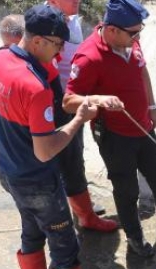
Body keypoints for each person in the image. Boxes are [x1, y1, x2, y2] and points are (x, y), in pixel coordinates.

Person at [0, 4, 112, 269]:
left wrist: (10, 122)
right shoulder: (35, 87)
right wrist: (77, 120)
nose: (59, 53)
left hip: (7, 170)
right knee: (62, 237)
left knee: (31, 227)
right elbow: (45, 149)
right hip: (36, 178)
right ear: (37, 42)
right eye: (57, 45)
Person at [63, 0, 156, 258]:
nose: (138, 37)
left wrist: (152, 106)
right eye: (133, 33)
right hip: (115, 136)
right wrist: (99, 100)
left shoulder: (129, 40)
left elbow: (143, 72)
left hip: (142, 127)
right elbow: (68, 102)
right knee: (126, 189)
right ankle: (134, 237)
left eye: (139, 31)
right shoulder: (89, 58)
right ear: (111, 30)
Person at [45, 0, 119, 233]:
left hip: (73, 101)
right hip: (57, 104)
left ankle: (79, 206)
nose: (77, 0)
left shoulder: (72, 19)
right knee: (71, 161)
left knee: (74, 157)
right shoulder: (46, 23)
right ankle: (85, 216)